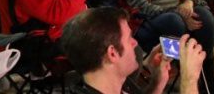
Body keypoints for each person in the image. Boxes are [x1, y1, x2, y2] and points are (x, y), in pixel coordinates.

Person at [61, 7, 206, 94]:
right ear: (112, 53)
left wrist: (157, 82)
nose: (134, 42)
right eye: (129, 37)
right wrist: (189, 80)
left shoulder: (113, 84)